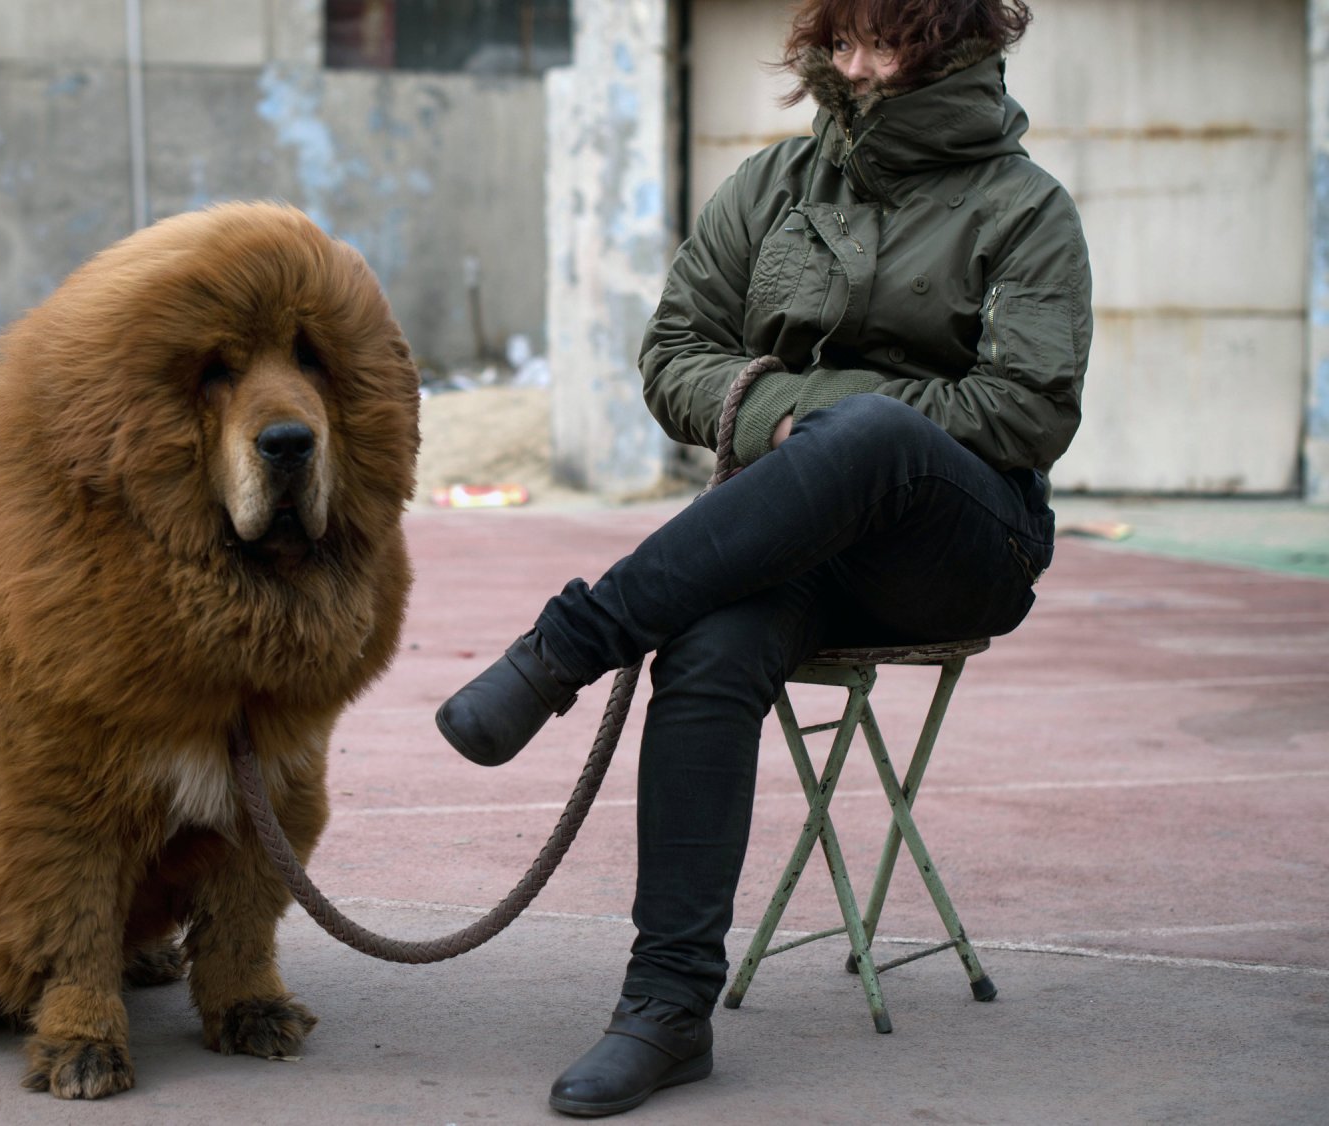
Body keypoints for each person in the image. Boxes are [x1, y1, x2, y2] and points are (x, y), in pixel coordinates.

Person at [435, 0, 1087, 1117]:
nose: (858, 67)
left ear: (959, 48)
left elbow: (1021, 411)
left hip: (956, 543)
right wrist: (793, 428)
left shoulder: (1022, 208)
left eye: (887, 43)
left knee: (875, 437)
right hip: (787, 538)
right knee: (705, 641)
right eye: (839, 43)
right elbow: (673, 356)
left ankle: (569, 644)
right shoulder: (772, 187)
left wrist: (826, 419)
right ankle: (665, 1007)